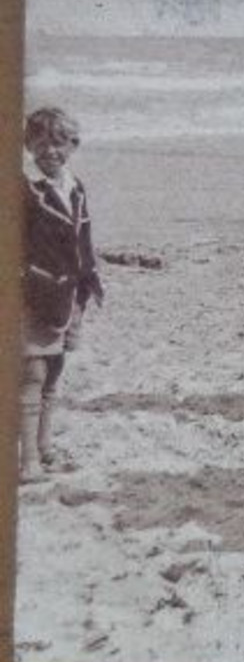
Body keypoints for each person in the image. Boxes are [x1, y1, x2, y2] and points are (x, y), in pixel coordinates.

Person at [18, 108, 104, 482]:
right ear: (28, 145)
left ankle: (45, 446)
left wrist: (90, 282)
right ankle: (29, 461)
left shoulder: (76, 186)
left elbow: (83, 240)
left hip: (69, 294)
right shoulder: (23, 188)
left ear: (74, 146)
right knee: (32, 374)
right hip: (34, 293)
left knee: (55, 371)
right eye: (40, 142)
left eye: (59, 143)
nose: (50, 151)